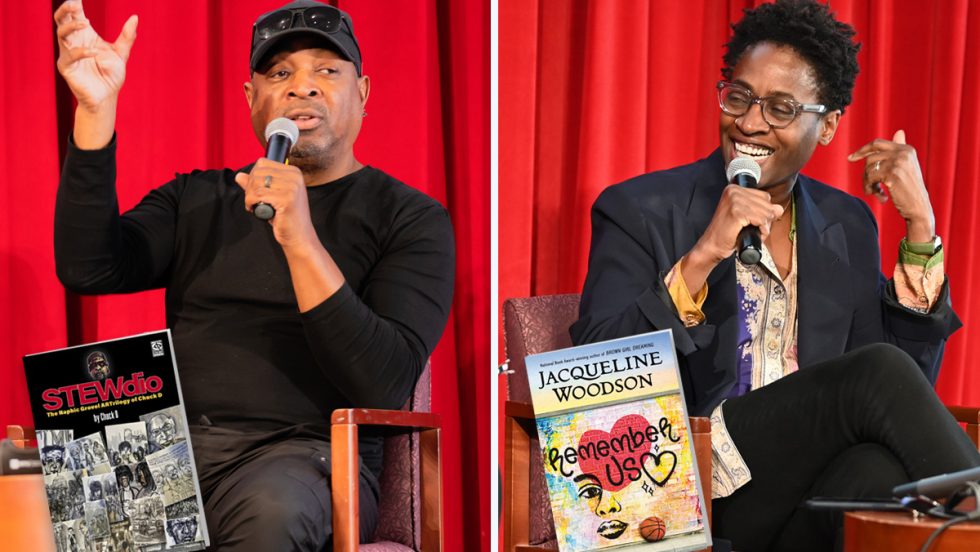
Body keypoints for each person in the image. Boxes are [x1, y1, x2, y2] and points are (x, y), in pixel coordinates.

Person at [570, 1, 980, 550]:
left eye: (782, 108)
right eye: (739, 96)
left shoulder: (846, 223)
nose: (750, 121)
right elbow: (594, 375)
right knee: (876, 379)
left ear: (828, 124)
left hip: (800, 495)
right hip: (683, 487)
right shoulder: (639, 209)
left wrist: (921, 231)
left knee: (879, 471)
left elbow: (902, 397)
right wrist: (702, 257)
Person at [52, 0, 456, 547]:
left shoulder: (410, 217)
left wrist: (299, 236)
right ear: (252, 100)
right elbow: (88, 267)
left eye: (326, 71)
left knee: (271, 513)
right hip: (169, 448)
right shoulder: (197, 198)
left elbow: (382, 382)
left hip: (304, 456)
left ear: (362, 93)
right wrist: (95, 111)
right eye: (280, 73)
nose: (302, 87)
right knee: (38, 501)